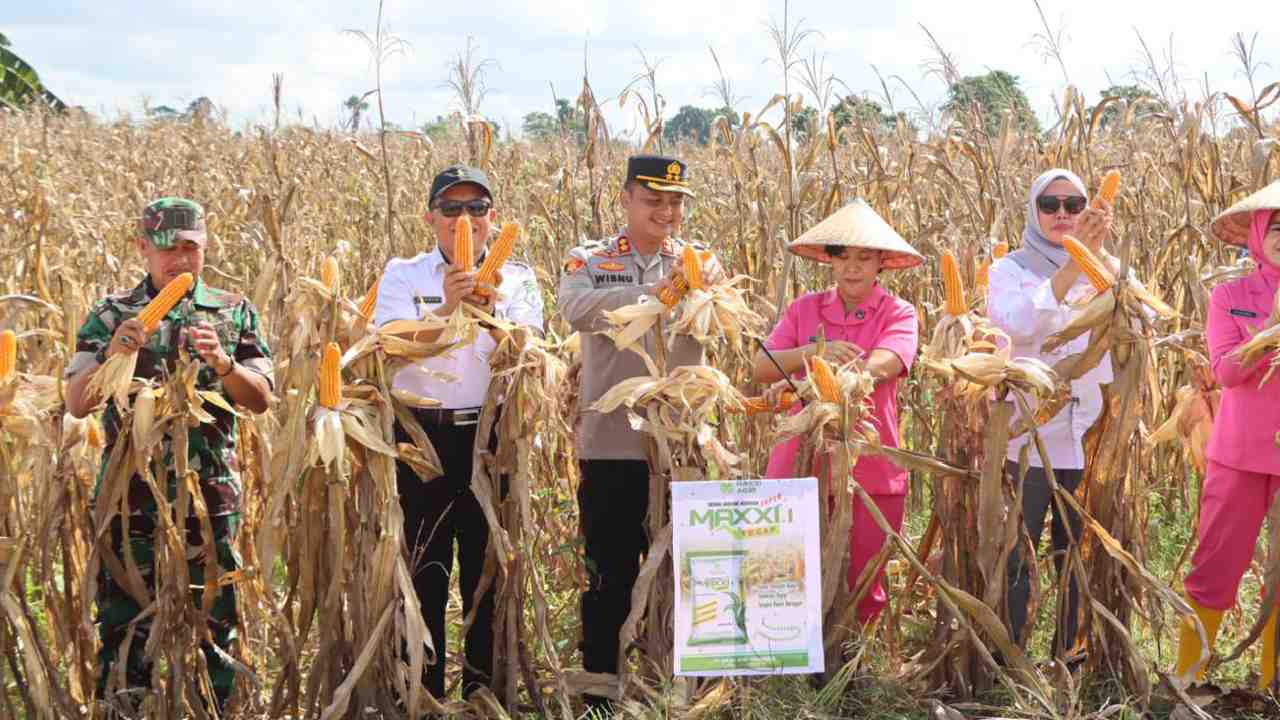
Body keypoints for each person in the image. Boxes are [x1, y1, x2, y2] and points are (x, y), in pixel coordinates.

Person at [65, 197, 275, 713]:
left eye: (191, 248)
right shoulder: (111, 314)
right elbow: (76, 402)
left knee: (216, 632)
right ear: (143, 249)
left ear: (204, 248)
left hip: (211, 499)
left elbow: (263, 399)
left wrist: (225, 364)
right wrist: (115, 353)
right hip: (128, 500)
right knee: (124, 628)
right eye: (167, 248)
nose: (180, 260)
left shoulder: (233, 311)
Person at [558, 155, 723, 714]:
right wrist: (655, 299)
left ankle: (673, 687)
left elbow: (726, 323)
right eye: (653, 199)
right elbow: (574, 308)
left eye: (675, 201)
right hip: (612, 444)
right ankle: (602, 692)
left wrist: (700, 296)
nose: (666, 211)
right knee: (610, 571)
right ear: (626, 198)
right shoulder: (590, 259)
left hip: (681, 446)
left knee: (681, 570)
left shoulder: (702, 263)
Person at [373, 164, 544, 700]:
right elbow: (389, 348)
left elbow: (532, 356)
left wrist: (495, 316)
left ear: (493, 218)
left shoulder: (518, 280)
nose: (464, 219)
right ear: (431, 218)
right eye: (452, 209)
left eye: (477, 208)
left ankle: (484, 695)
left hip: (492, 440)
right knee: (423, 570)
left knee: (487, 572)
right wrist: (449, 308)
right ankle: (420, 694)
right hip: (422, 438)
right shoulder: (404, 275)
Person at [752, 199, 922, 625]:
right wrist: (813, 352)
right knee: (786, 574)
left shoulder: (898, 313)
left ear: (881, 262)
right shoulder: (804, 310)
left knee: (865, 580)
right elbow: (760, 367)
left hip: (869, 464)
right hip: (800, 463)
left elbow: (888, 362)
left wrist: (829, 375)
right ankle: (788, 673)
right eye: (843, 257)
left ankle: (856, 674)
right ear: (830, 260)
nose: (852, 268)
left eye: (864, 258)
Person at [986, 168, 1116, 658]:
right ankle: (1011, 655)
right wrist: (1072, 268)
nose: (1063, 214)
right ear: (1033, 210)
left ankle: (1070, 656)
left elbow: (1130, 334)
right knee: (1019, 549)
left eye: (1074, 205)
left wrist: (1096, 261)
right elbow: (1019, 326)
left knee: (1077, 554)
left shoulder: (1112, 270)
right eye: (1050, 204)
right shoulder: (1010, 270)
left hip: (1091, 432)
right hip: (1029, 432)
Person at [1174, 181, 1280, 689]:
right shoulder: (1230, 296)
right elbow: (1225, 372)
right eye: (1276, 228)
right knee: (1217, 562)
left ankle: (1270, 683)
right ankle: (1187, 677)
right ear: (1257, 236)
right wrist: (1269, 336)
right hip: (1239, 454)